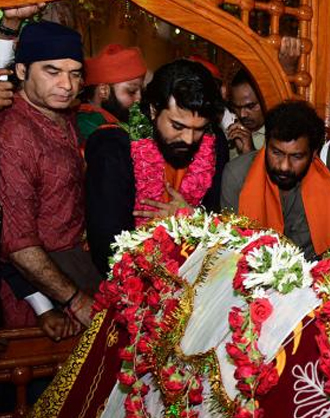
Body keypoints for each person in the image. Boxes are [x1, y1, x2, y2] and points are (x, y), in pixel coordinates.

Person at [0, 21, 102, 330]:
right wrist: (74, 300)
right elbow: (17, 243)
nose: (67, 85)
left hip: (76, 264)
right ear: (21, 71)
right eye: (52, 71)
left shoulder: (63, 115)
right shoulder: (13, 134)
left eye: (74, 73)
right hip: (36, 285)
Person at [84, 59, 226, 274]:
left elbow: (218, 220)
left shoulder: (215, 144)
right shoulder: (113, 147)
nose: (188, 139)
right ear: (153, 110)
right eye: (177, 126)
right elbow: (107, 247)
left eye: (199, 129)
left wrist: (191, 220)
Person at [221, 101, 330, 259]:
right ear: (266, 144)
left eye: (296, 156)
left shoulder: (327, 185)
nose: (284, 166)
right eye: (276, 153)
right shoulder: (237, 175)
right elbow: (231, 247)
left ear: (313, 154)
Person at [77, 44, 147, 144]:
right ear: (103, 91)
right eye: (131, 91)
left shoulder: (114, 123)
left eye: (141, 92)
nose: (138, 99)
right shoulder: (89, 126)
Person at [227, 69, 267, 159]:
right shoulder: (231, 135)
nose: (242, 115)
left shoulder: (276, 135)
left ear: (264, 101)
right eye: (237, 107)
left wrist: (249, 152)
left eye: (250, 106)